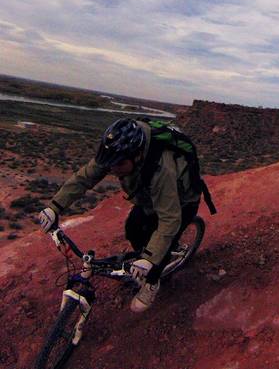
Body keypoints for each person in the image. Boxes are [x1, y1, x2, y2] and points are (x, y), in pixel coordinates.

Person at [38, 118, 202, 312]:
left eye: (118, 165)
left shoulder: (161, 169)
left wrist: (149, 259)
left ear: (137, 156)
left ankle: (152, 282)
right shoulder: (116, 152)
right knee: (133, 229)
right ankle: (146, 257)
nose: (113, 170)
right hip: (149, 199)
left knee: (160, 249)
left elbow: (169, 219)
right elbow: (85, 177)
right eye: (111, 164)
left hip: (181, 203)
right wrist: (55, 206)